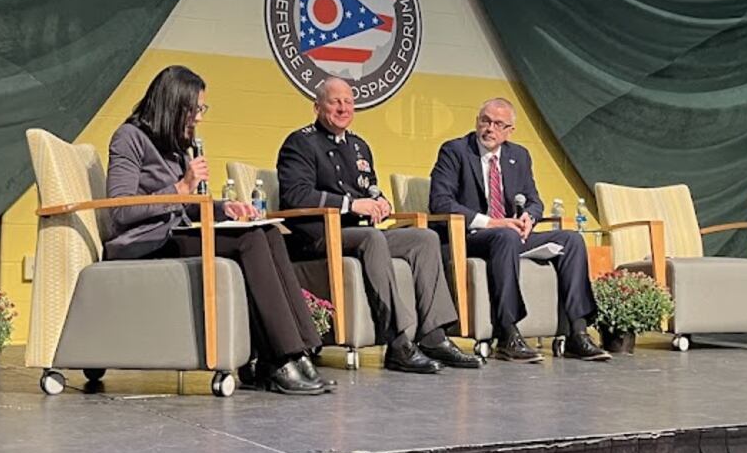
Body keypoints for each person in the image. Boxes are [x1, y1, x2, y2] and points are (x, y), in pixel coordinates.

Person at [105, 66, 327, 395]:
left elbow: (192, 205)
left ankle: (301, 348)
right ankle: (278, 358)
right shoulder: (129, 137)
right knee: (250, 240)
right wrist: (181, 186)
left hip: (173, 233)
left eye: (201, 110)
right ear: (173, 105)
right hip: (145, 243)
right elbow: (119, 209)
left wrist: (227, 208)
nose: (199, 118)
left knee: (266, 232)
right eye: (195, 109)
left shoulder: (175, 147)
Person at [276, 77, 478, 374]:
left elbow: (368, 188)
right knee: (372, 238)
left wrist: (380, 201)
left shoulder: (359, 146)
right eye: (335, 101)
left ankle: (434, 336)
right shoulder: (300, 142)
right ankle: (397, 342)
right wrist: (350, 205)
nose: (343, 108)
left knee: (424, 238)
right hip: (318, 236)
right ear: (317, 106)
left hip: (360, 234)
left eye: (348, 101)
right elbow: (295, 195)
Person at [428, 98, 608, 361]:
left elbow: (535, 200)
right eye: (485, 121)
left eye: (498, 124)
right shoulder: (455, 151)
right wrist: (492, 222)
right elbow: (440, 202)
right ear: (477, 121)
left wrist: (528, 218)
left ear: (510, 130)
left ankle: (577, 333)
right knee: (506, 235)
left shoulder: (519, 156)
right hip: (466, 237)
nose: (489, 128)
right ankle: (508, 334)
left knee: (571, 240)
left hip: (510, 236)